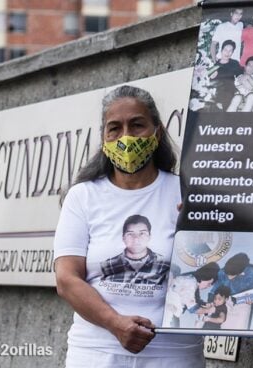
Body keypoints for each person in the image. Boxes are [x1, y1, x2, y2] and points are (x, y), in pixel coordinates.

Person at [53, 86, 204, 367]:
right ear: (104, 137)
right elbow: (66, 279)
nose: (126, 137)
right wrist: (116, 324)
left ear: (157, 132)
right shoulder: (83, 196)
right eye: (114, 128)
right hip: (96, 352)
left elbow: (208, 271)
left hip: (173, 352)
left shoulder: (186, 193)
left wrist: (201, 229)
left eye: (137, 125)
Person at [100, 215, 170, 284]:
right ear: (123, 237)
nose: (136, 239)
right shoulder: (108, 265)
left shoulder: (164, 263)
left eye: (142, 233)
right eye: (130, 234)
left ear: (149, 236)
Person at [162, 262, 219, 327]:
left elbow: (196, 300)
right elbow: (193, 309)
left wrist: (206, 304)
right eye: (209, 283)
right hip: (168, 313)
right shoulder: (191, 284)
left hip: (169, 310)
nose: (208, 286)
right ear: (204, 278)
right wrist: (209, 310)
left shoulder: (191, 278)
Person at [209, 40, 243, 110]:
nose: (227, 53)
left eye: (230, 50)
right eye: (225, 50)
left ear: (233, 52)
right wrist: (212, 77)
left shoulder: (234, 63)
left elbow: (240, 76)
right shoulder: (215, 65)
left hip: (229, 89)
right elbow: (209, 82)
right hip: (217, 91)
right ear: (221, 50)